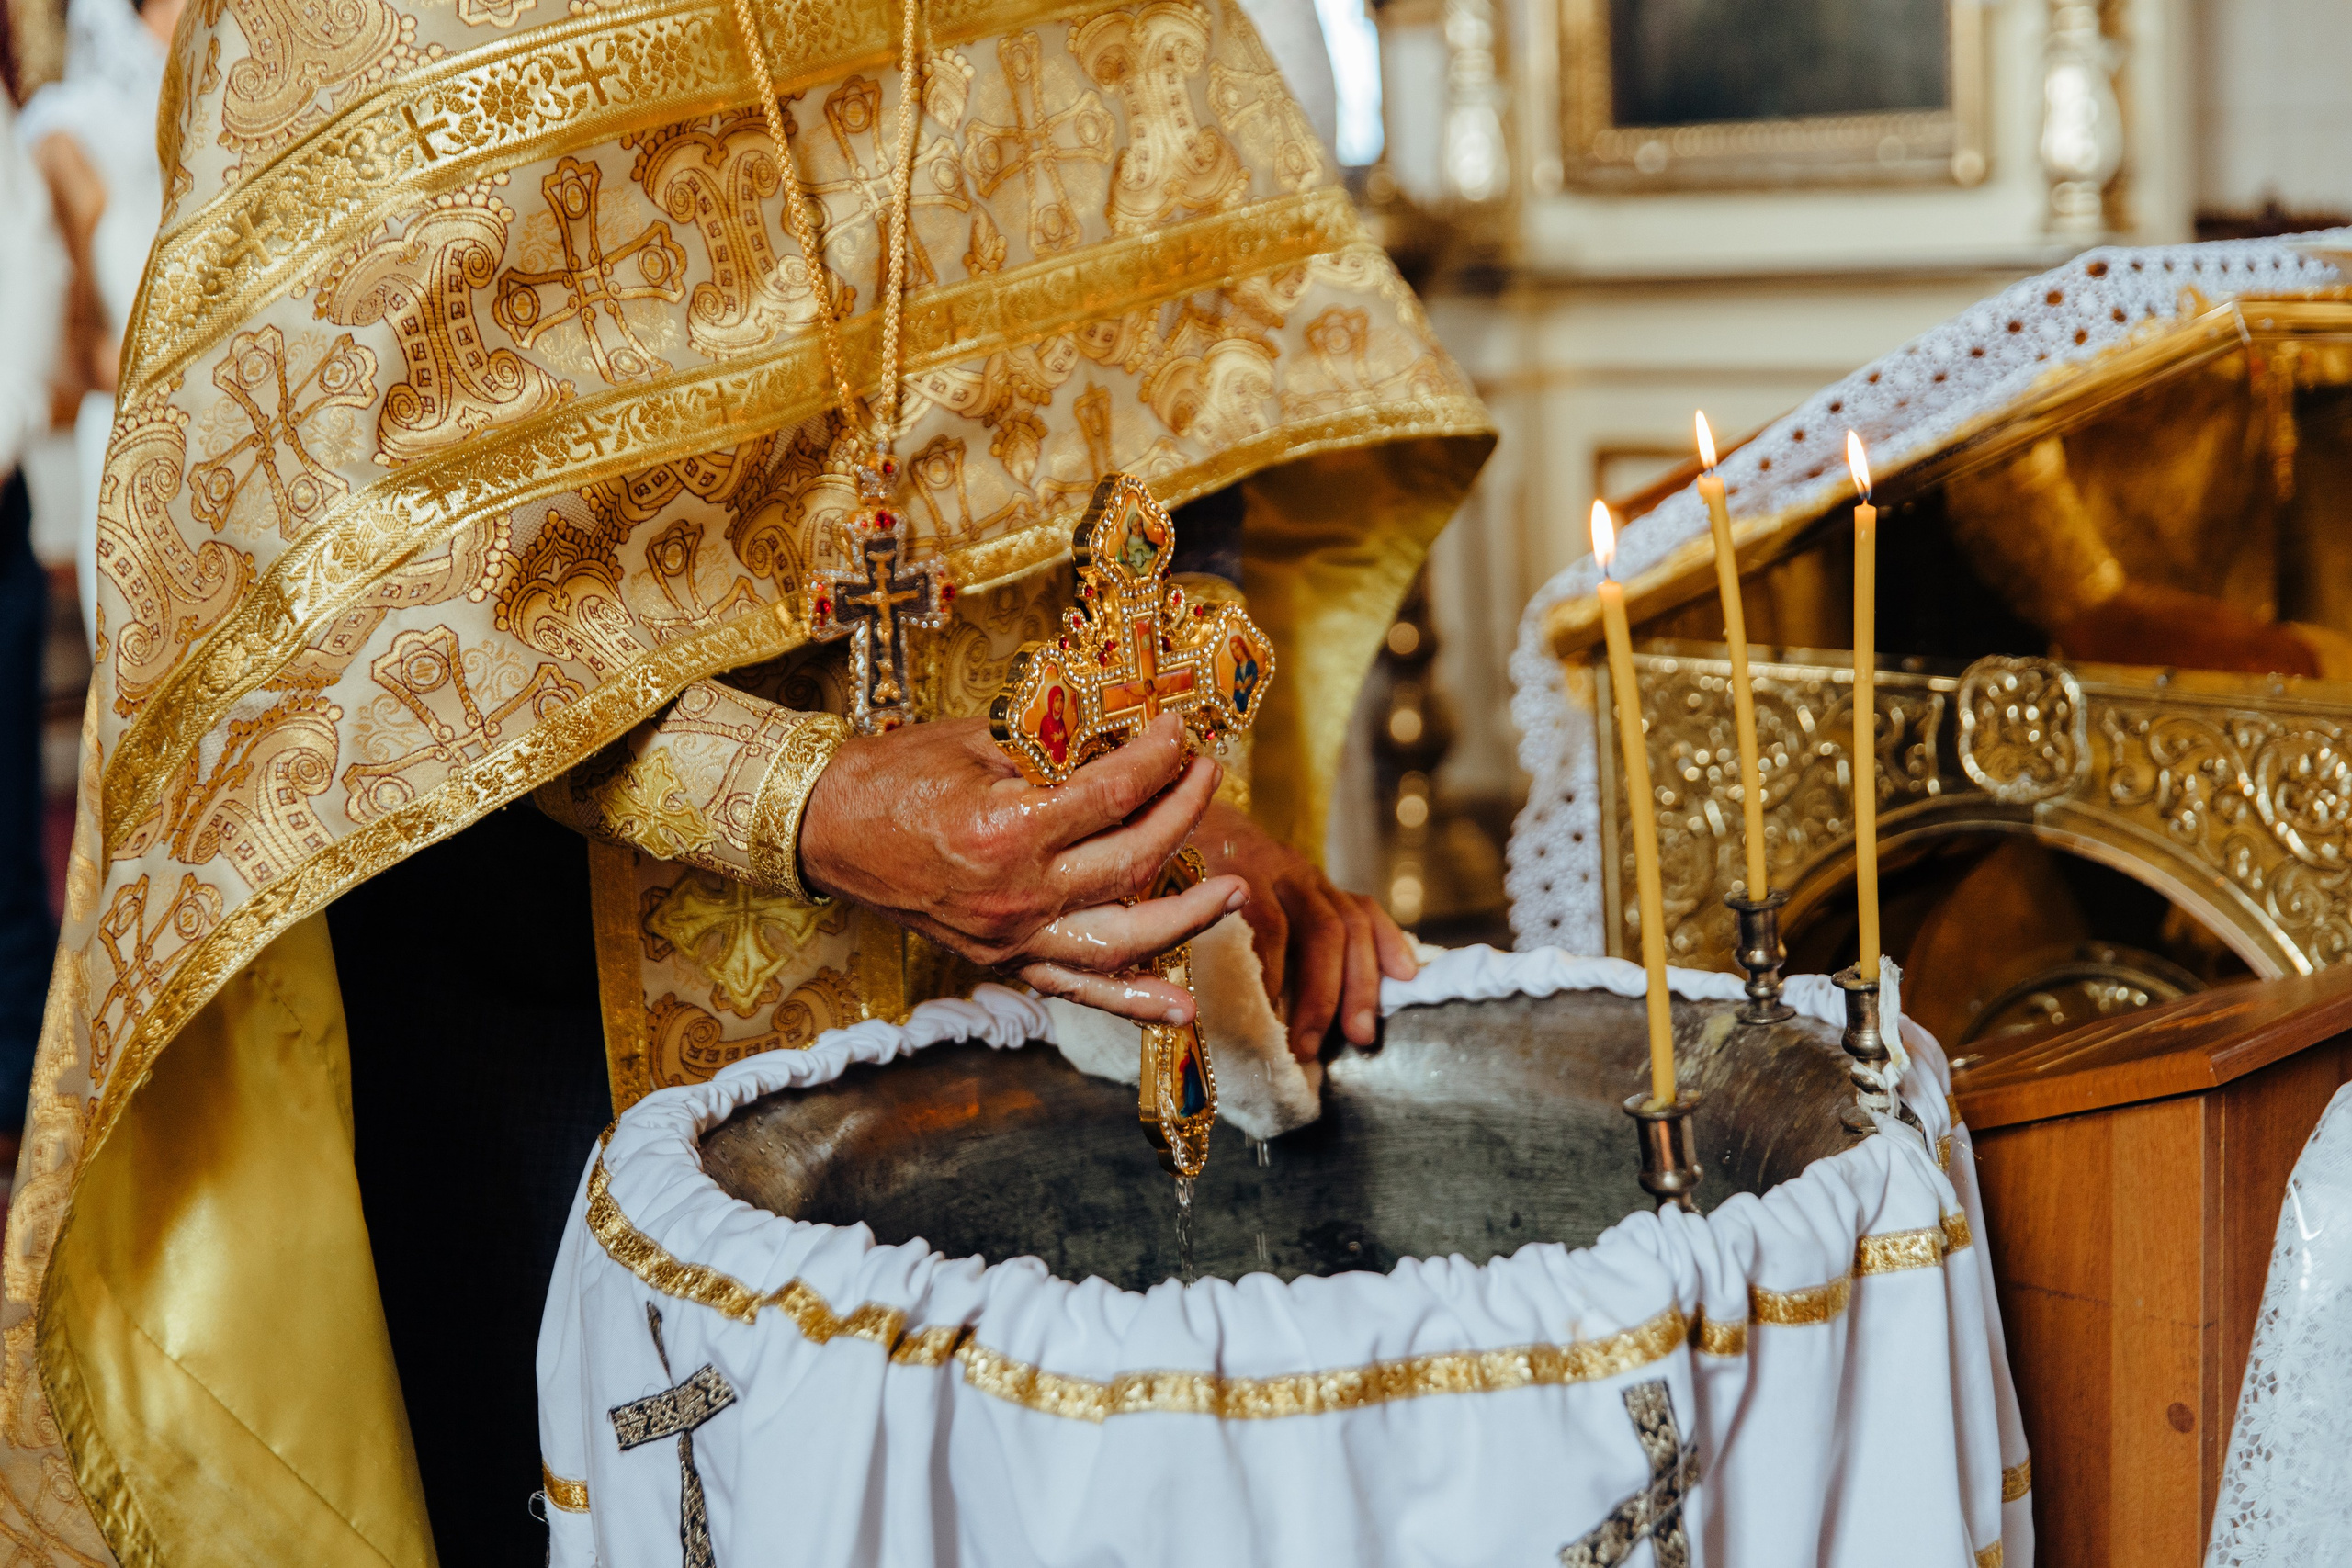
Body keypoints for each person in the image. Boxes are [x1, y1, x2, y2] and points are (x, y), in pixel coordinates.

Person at [0, 5, 1495, 1564]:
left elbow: (1199, 371)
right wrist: (784, 794)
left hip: (1072, 1019)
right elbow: (323, 571)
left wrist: (1178, 798)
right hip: (550, 1035)